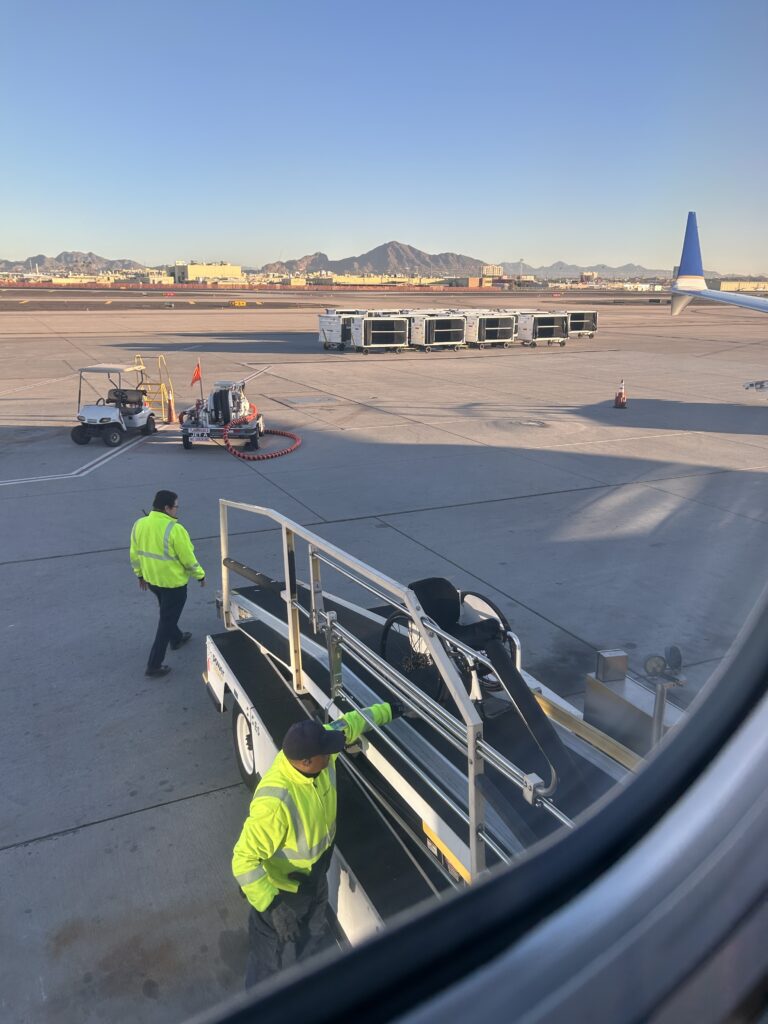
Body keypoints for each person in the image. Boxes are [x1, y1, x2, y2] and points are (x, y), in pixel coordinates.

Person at [232, 703, 404, 987]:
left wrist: (391, 709)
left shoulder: (319, 750)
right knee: (266, 962)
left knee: (314, 942)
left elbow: (350, 723)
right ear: (308, 762)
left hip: (314, 882)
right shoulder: (276, 803)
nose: (335, 751)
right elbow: (243, 860)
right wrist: (274, 906)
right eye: (328, 751)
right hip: (282, 895)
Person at [129, 489, 205, 677]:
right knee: (166, 621)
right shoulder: (175, 529)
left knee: (167, 613)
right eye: (176, 507)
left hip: (152, 580)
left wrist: (139, 575)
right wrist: (200, 575)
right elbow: (188, 558)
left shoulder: (139, 524)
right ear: (167, 508)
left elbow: (134, 553)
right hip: (173, 584)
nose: (177, 511)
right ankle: (154, 664)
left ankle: (177, 638)